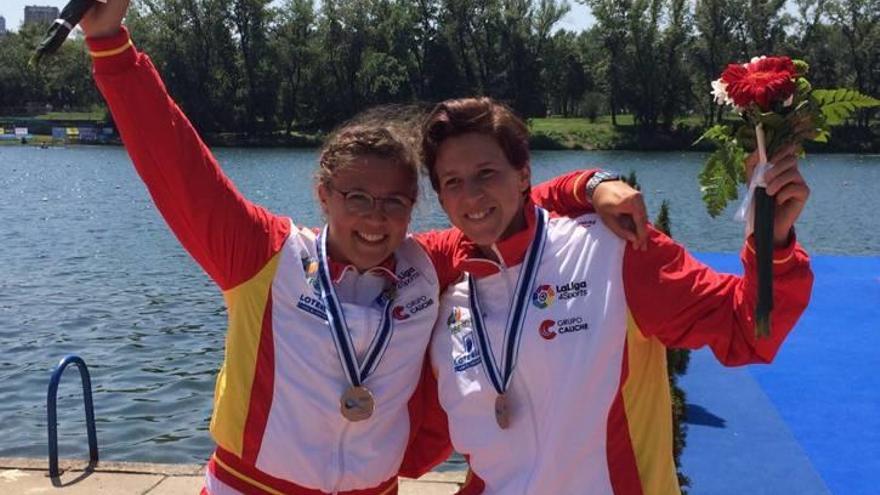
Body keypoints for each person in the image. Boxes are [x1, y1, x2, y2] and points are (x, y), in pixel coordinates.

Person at [78, 2, 650, 493]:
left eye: (396, 202)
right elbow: (177, 167)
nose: (377, 219)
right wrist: (110, 46)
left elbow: (498, 210)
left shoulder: (426, 265)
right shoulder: (263, 257)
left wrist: (586, 185)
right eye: (358, 197)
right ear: (324, 195)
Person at [422, 97, 814, 495]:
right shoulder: (438, 282)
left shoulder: (614, 247)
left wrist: (773, 241)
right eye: (452, 181)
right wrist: (586, 183)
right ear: (440, 197)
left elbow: (745, 328)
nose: (471, 195)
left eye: (486, 173)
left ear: (523, 175)